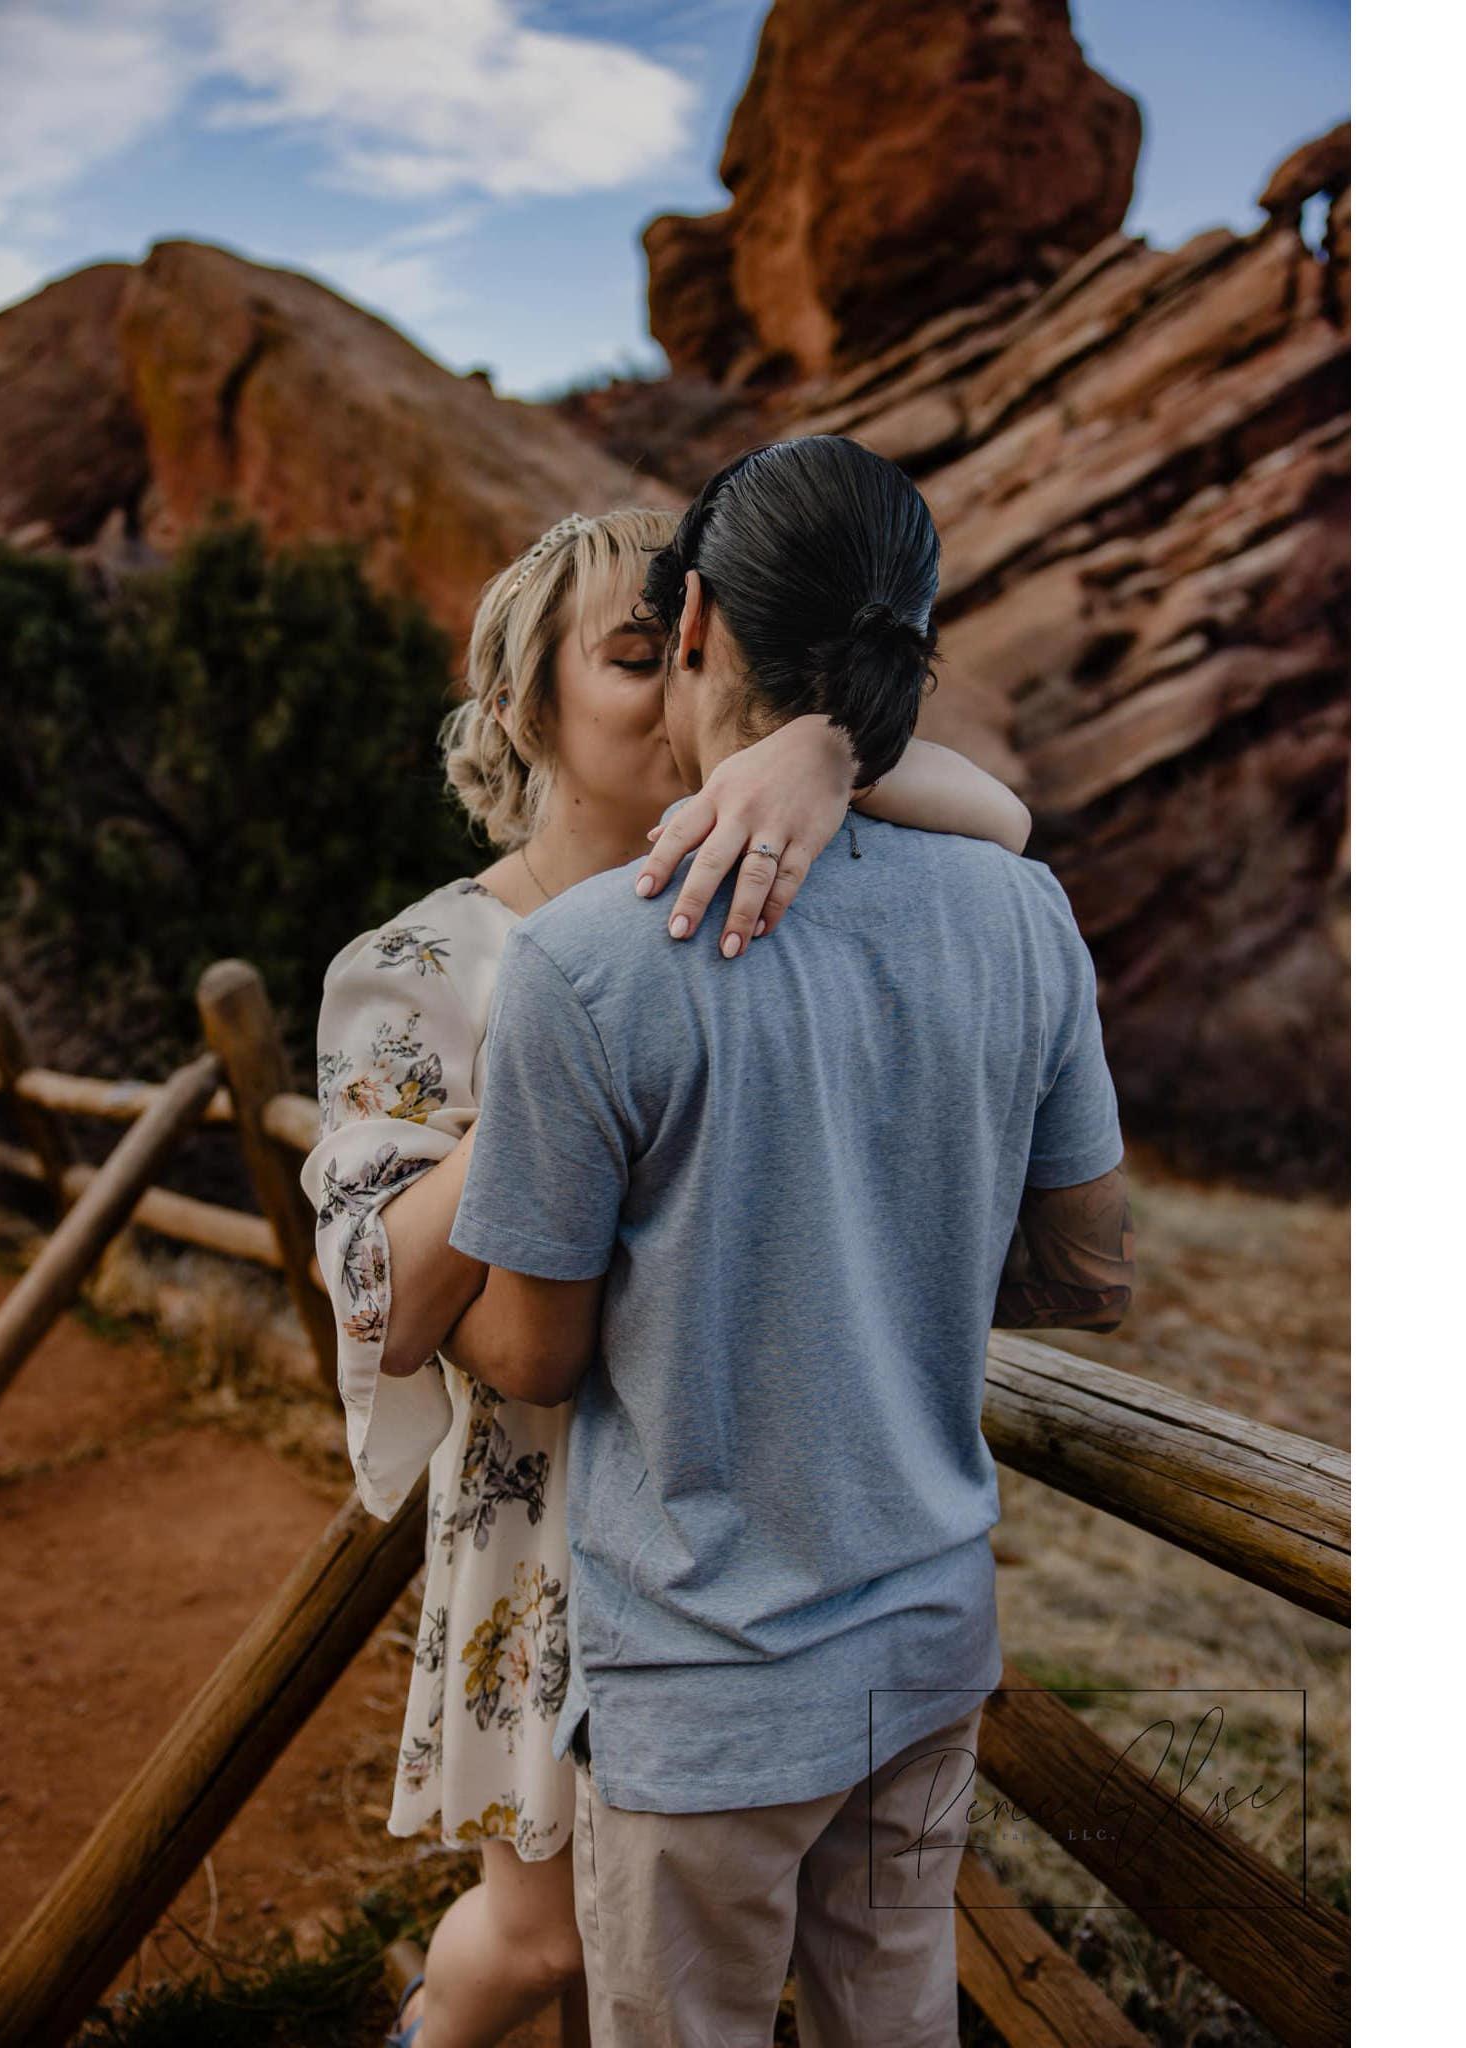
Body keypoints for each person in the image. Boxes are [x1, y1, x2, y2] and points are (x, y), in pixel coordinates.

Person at [298, 502, 1037, 2048]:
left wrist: (821, 754)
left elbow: (1006, 822)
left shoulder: (755, 882)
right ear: (527, 707)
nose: (680, 690)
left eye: (692, 653)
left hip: (762, 1517)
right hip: (559, 1514)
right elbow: (386, 1297)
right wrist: (557, 1064)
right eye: (633, 658)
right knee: (547, 1939)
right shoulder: (420, 967)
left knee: (692, 1947)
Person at [436, 437, 1136, 2047]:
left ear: (692, 627)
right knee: (898, 2019)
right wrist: (890, 1258)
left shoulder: (588, 962)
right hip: (928, 1640)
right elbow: (1091, 1274)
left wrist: (431, 1279)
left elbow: (534, 1353)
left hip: (707, 1688)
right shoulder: (1023, 911)